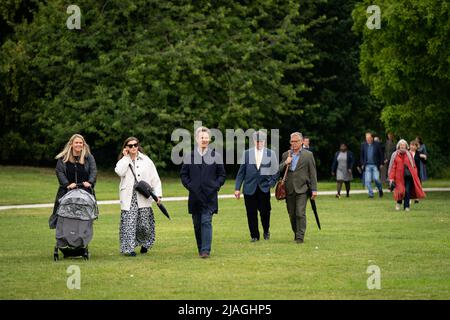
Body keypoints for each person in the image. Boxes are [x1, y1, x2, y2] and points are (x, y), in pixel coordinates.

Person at [180, 127, 226, 258]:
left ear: (209, 139)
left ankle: (206, 250)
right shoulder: (189, 156)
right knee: (197, 224)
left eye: (206, 137)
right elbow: (183, 175)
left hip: (210, 196)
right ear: (197, 139)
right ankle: (201, 248)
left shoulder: (215, 156)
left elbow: (222, 175)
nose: (204, 140)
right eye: (202, 137)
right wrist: (190, 186)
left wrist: (216, 186)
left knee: (206, 221)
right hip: (194, 196)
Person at [115, 137, 162, 257]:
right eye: (130, 146)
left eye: (135, 145)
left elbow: (154, 178)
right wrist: (126, 158)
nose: (133, 147)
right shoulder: (123, 161)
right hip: (129, 197)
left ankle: (145, 244)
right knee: (129, 223)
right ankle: (128, 248)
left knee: (144, 224)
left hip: (143, 196)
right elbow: (119, 171)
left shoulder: (146, 160)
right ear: (126, 148)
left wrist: (158, 195)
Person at [234, 131, 279, 242]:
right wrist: (237, 188)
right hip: (249, 188)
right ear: (254, 141)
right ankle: (254, 235)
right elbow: (241, 172)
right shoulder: (246, 153)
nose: (259, 143)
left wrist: (271, 183)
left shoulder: (270, 153)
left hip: (264, 188)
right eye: (257, 141)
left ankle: (266, 230)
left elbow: (275, 171)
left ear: (264, 141)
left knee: (265, 212)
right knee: (251, 212)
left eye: (261, 141)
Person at [49, 134, 97, 229]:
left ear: (83, 144)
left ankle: (81, 241)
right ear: (71, 144)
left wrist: (90, 182)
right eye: (76, 142)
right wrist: (67, 184)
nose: (78, 145)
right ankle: (65, 239)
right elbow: (60, 172)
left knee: (83, 218)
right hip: (66, 192)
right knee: (65, 217)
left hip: (85, 192)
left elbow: (93, 171)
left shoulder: (89, 157)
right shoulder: (63, 158)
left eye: (80, 143)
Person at [279, 132, 318, 244]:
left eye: (296, 141)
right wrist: (286, 162)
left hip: (302, 189)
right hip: (289, 188)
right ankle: (296, 233)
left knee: (300, 213)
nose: (294, 143)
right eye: (292, 141)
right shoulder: (286, 155)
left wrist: (314, 189)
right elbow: (278, 169)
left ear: (301, 142)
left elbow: (313, 173)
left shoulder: (308, 155)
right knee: (292, 214)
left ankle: (300, 237)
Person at [388, 139, 425, 211]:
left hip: (408, 176)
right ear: (398, 146)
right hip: (398, 177)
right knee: (401, 191)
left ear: (406, 146)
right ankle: (398, 203)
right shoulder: (395, 154)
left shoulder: (409, 154)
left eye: (403, 145)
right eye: (401, 145)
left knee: (407, 191)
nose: (402, 146)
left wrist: (414, 175)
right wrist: (391, 178)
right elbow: (393, 167)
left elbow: (413, 165)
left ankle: (406, 206)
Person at [360, 132, 384, 198]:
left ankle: (380, 189)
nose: (367, 139)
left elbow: (381, 154)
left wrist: (382, 163)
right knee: (367, 181)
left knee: (376, 179)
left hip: (375, 165)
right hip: (367, 165)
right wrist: (362, 164)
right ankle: (371, 194)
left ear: (372, 138)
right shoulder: (363, 145)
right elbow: (361, 156)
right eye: (366, 138)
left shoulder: (377, 144)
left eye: (369, 138)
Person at [409, 140, 427, 204]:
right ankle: (409, 198)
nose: (412, 147)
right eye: (411, 145)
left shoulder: (418, 153)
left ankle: (417, 198)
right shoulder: (407, 153)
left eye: (414, 145)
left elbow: (424, 162)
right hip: (408, 172)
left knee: (417, 185)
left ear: (416, 147)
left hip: (416, 172)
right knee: (409, 185)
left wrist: (425, 157)